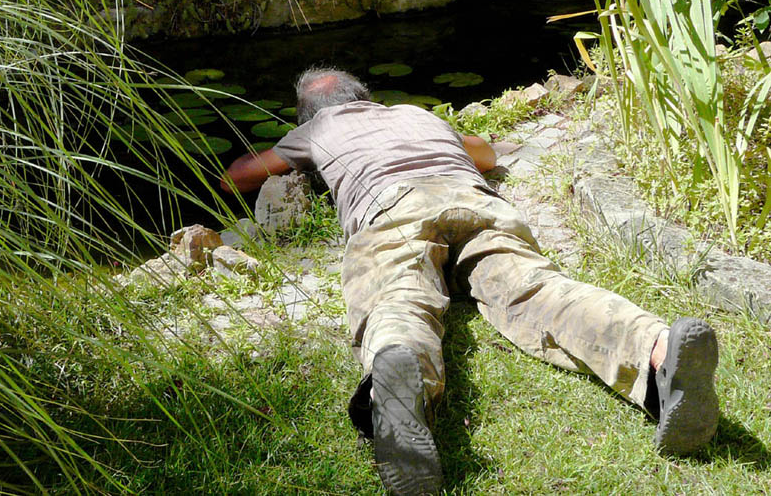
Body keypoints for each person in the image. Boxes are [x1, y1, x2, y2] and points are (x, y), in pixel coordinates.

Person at [220, 67, 719, 496]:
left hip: (389, 208)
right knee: (537, 290)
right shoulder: (413, 113)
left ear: (309, 113)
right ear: (365, 96)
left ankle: (398, 376)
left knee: (398, 296)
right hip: (474, 199)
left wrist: (306, 161)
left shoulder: (318, 127)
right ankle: (656, 348)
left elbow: (237, 177)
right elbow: (482, 153)